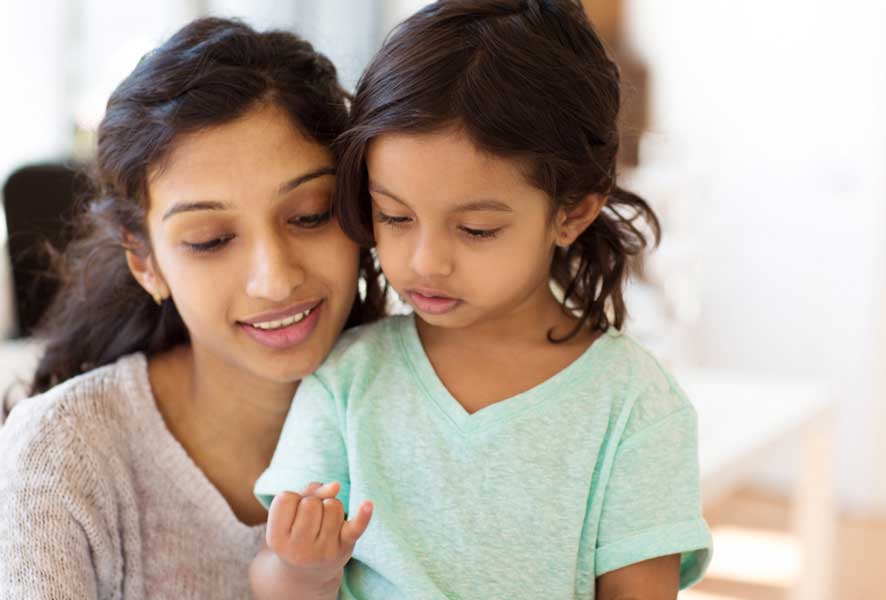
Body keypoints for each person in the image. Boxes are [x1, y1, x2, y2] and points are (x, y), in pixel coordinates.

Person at [251, 1, 712, 599]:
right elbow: (274, 582)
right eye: (395, 216)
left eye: (476, 230)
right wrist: (301, 569)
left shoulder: (634, 405)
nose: (425, 261)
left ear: (573, 213)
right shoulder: (347, 379)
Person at [0, 17, 383, 599]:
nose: (275, 280)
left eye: (310, 214)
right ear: (145, 262)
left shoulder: (432, 405)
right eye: (211, 240)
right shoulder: (61, 455)